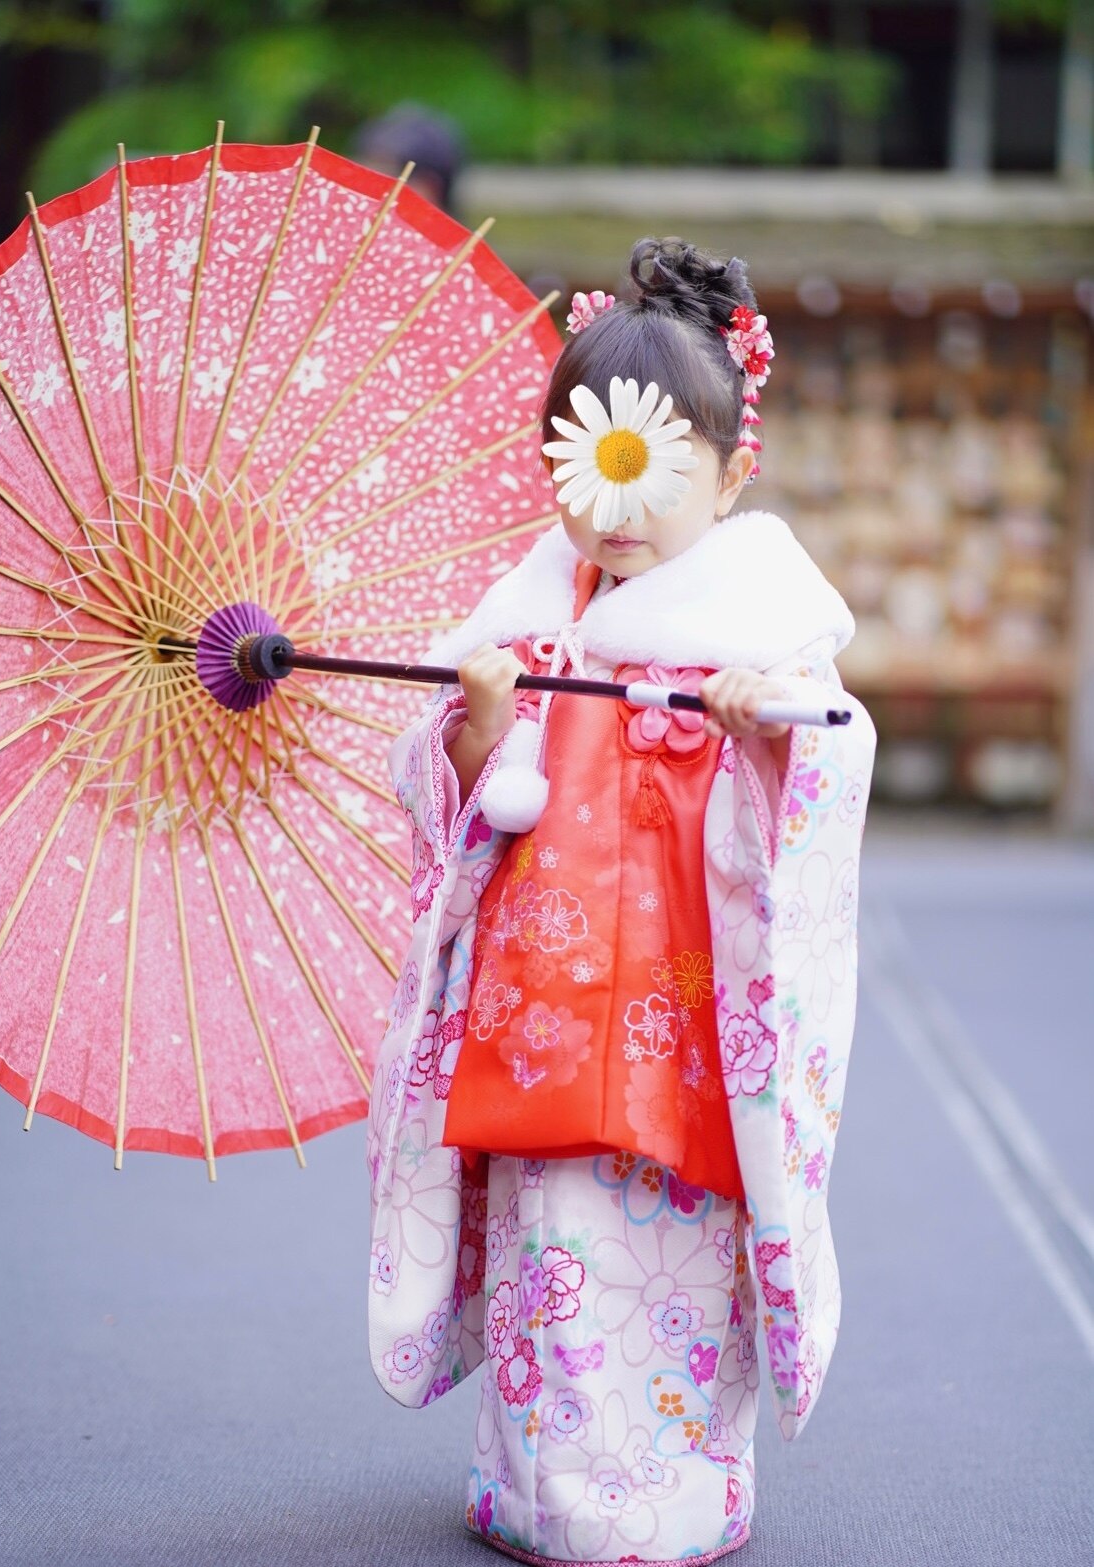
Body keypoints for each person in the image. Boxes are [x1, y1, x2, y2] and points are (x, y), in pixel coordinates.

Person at [367, 236, 876, 1565]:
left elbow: (829, 759)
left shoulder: (764, 626)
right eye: (590, 465)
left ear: (731, 472)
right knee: (555, 1256)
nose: (619, 507)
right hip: (538, 1010)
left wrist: (761, 732)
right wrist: (474, 732)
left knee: (669, 1267)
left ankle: (676, 1499)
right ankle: (532, 1493)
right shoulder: (525, 620)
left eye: (658, 470)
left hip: (686, 1018)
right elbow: (451, 808)